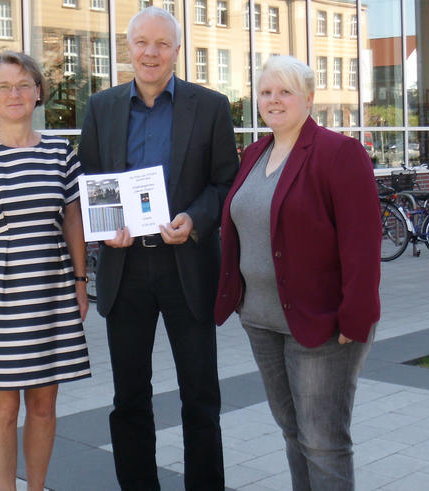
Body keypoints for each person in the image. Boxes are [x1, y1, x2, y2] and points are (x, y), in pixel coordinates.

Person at [78, 6, 238, 490]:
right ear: (128, 48)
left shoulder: (209, 106)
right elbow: (91, 180)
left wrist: (195, 220)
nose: (151, 53)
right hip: (125, 269)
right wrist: (105, 228)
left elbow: (224, 183)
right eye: (142, 43)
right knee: (129, 398)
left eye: (162, 44)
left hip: (186, 264)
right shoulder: (101, 107)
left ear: (176, 51)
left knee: (200, 395)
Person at [215, 55, 381, 491]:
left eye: (285, 91)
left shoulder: (339, 153)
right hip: (261, 319)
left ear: (308, 98)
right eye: (266, 92)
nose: (274, 100)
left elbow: (362, 243)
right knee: (293, 433)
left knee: (323, 441)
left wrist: (356, 316)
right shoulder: (254, 153)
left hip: (322, 322)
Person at [0, 51, 91, 491]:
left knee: (44, 406)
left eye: (24, 84)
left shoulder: (60, 152)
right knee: (4, 410)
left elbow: (73, 220)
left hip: (50, 292)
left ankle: (37, 488)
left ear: (39, 93)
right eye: (5, 86)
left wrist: (81, 283)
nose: (15, 94)